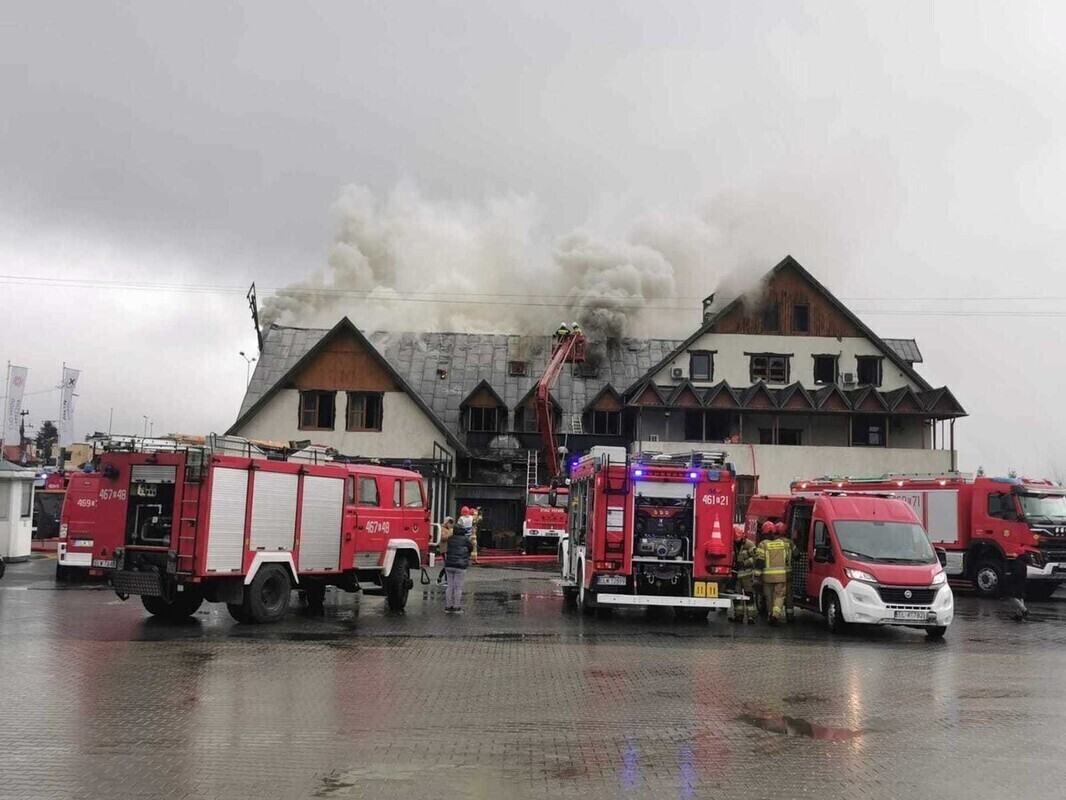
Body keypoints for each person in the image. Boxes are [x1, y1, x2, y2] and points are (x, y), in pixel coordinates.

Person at [756, 521, 792, 624]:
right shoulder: (782, 544)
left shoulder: (762, 545)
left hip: (767, 578)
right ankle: (775, 615)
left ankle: (770, 615)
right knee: (779, 596)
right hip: (781, 577)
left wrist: (757, 576)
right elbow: (788, 559)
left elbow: (760, 561)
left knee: (769, 597)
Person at [443, 513, 478, 614]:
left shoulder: (450, 539)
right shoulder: (465, 539)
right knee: (458, 587)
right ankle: (457, 607)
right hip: (460, 566)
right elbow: (471, 548)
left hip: (449, 565)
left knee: (450, 586)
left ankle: (448, 606)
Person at [730, 525, 757, 624]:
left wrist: (744, 563)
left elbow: (755, 557)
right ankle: (738, 615)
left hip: (746, 575)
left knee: (749, 595)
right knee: (737, 597)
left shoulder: (749, 544)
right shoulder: (731, 544)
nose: (737, 541)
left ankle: (751, 616)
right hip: (736, 575)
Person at [776, 521, 800, 622]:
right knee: (789, 595)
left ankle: (774, 615)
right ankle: (790, 616)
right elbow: (797, 555)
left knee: (777, 595)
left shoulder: (773, 543)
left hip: (776, 574)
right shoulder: (790, 543)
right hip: (788, 574)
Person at [1004, 554, 1029, 621]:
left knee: (1013, 597)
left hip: (1016, 583)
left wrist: (1010, 577)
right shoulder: (1024, 564)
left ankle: (1024, 610)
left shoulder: (1017, 564)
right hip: (1022, 582)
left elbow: (1016, 574)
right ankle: (1019, 615)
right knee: (1020, 597)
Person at [435, 517, 455, 585]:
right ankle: (446, 580)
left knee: (447, 565)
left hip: (450, 549)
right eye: (449, 523)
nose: (451, 525)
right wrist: (451, 533)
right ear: (446, 523)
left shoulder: (450, 529)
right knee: (447, 565)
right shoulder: (442, 529)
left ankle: (440, 578)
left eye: (451, 523)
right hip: (444, 549)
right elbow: (443, 538)